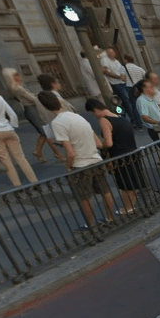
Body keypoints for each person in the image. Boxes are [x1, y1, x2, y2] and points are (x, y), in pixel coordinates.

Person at [39, 91, 114, 229]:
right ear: (60, 102)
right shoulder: (78, 117)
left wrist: (68, 167)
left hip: (80, 164)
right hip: (95, 159)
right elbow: (97, 142)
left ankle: (91, 225)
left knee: (84, 197)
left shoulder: (57, 123)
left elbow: (70, 153)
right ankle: (110, 218)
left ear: (44, 107)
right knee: (105, 191)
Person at [1, 68, 64, 165]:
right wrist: (42, 96)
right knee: (46, 132)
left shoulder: (17, 88)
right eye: (15, 75)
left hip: (32, 110)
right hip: (32, 111)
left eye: (18, 74)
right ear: (11, 78)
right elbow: (33, 99)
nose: (19, 76)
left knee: (44, 132)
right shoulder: (19, 89)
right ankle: (58, 154)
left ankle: (37, 151)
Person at [99, 48, 136, 125]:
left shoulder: (116, 61)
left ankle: (126, 118)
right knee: (123, 102)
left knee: (126, 102)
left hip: (122, 83)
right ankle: (130, 119)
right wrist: (118, 77)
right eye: (110, 53)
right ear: (107, 54)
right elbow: (105, 71)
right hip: (116, 84)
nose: (112, 54)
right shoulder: (105, 60)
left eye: (113, 52)